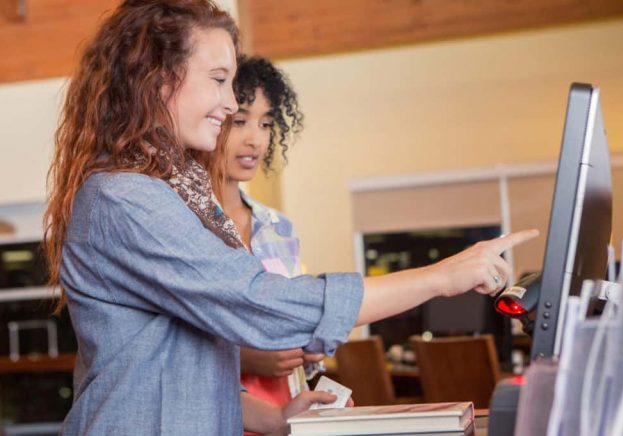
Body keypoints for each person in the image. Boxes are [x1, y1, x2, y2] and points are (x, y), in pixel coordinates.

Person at [43, 1, 538, 434]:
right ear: (155, 78)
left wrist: (273, 418)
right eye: (218, 80)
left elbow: (173, 366)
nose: (231, 103)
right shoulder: (123, 198)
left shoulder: (177, 194)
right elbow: (259, 303)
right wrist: (439, 277)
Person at [205, 55, 325, 430]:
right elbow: (172, 340)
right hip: (214, 415)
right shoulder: (182, 223)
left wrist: (310, 348)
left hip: (288, 411)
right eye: (239, 121)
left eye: (266, 123)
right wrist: (247, 358)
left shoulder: (280, 228)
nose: (255, 138)